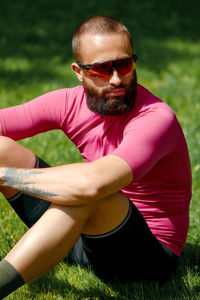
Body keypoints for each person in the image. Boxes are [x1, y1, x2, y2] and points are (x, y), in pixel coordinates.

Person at [0, 15, 191, 298]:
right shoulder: (69, 103)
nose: (116, 79)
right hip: (82, 235)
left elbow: (93, 185)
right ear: (79, 72)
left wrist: (4, 176)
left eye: (125, 64)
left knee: (92, 192)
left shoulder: (155, 118)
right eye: (102, 69)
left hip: (145, 256)